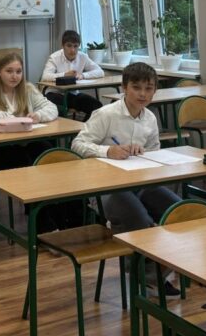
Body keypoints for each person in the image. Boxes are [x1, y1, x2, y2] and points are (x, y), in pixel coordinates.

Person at [72, 62, 181, 294]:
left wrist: (145, 153)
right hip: (104, 187)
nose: (143, 94)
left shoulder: (150, 118)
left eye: (149, 89)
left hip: (139, 182)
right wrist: (107, 151)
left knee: (178, 210)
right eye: (136, 88)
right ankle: (147, 277)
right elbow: (78, 144)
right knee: (138, 217)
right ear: (124, 88)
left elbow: (154, 150)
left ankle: (169, 267)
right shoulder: (106, 114)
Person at [0, 52, 81, 231]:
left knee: (52, 158)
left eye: (18, 71)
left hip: (26, 143)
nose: (14, 76)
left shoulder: (27, 89)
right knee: (31, 169)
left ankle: (68, 220)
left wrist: (38, 115)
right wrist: (5, 117)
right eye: (9, 71)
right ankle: (44, 226)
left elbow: (51, 108)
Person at [41, 29, 104, 119]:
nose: (72, 50)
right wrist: (64, 75)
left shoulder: (83, 57)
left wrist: (83, 75)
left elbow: (100, 72)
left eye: (75, 46)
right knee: (57, 108)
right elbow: (45, 76)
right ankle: (62, 127)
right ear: (63, 46)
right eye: (69, 46)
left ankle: (84, 127)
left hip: (73, 94)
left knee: (97, 107)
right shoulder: (54, 57)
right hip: (55, 93)